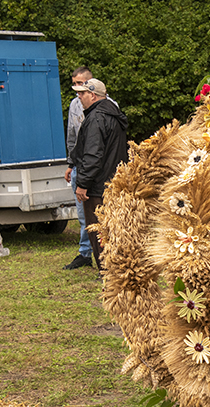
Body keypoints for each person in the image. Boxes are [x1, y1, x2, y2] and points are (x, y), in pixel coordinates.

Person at [69, 78, 128, 277]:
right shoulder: (115, 114)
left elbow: (93, 154)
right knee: (115, 229)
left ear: (92, 95)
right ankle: (118, 269)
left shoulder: (96, 118)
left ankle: (107, 272)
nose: (79, 97)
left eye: (82, 93)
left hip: (97, 187)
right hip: (115, 182)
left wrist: (82, 184)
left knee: (98, 230)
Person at [63, 66, 94, 270]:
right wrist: (70, 163)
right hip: (78, 166)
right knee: (82, 215)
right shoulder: (74, 105)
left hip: (96, 168)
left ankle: (107, 253)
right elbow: (72, 136)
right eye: (74, 83)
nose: (77, 88)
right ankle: (85, 253)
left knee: (99, 213)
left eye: (81, 84)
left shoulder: (107, 104)